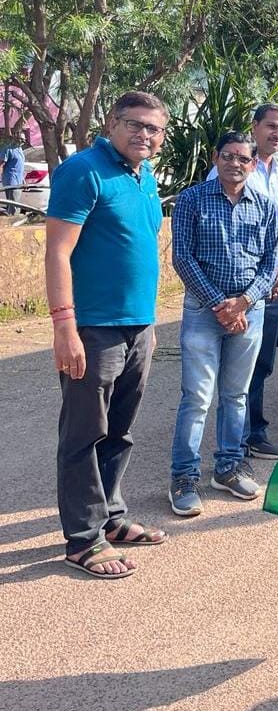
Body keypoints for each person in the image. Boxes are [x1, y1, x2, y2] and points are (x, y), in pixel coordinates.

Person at [46, 91, 169, 579]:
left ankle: (111, 518)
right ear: (111, 124)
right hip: (93, 327)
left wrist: (149, 323)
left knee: (119, 430)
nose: (144, 135)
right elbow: (58, 252)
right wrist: (64, 326)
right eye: (134, 124)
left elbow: (140, 251)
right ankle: (83, 540)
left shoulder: (145, 176)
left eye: (153, 128)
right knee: (84, 433)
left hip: (137, 325)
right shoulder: (83, 170)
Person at [169, 131, 278, 516]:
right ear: (215, 157)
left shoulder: (264, 205)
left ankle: (229, 467)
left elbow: (270, 263)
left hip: (250, 312)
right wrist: (221, 304)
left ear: (253, 164)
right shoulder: (192, 199)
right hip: (203, 311)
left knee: (236, 395)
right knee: (197, 398)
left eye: (243, 158)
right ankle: (183, 477)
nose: (235, 164)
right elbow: (182, 258)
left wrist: (244, 302)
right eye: (228, 156)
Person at [209, 104, 278, 460]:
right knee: (234, 369)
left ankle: (253, 433)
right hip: (238, 288)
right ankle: (234, 442)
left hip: (273, 285)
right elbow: (219, 230)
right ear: (254, 127)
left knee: (261, 363)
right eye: (271, 126)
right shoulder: (230, 170)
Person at [1, 136, 25, 215]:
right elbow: (1, 164)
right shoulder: (8, 149)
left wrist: (23, 180)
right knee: (14, 205)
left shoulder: (20, 149)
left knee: (14, 204)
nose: (23, 141)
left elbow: (20, 166)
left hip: (19, 181)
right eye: (21, 139)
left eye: (24, 140)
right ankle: (13, 219)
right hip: (11, 180)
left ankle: (11, 217)